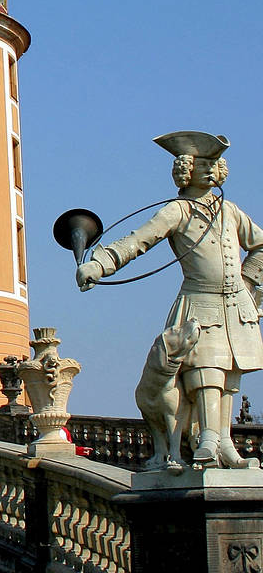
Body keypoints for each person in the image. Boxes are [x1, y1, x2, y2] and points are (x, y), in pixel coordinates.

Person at [77, 131, 263, 468]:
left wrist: (250, 283)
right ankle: (207, 438)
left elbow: (261, 244)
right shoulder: (177, 211)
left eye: (213, 164)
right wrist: (100, 264)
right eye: (202, 164)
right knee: (207, 370)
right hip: (200, 300)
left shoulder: (231, 211)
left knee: (229, 375)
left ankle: (225, 443)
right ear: (186, 169)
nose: (209, 170)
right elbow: (138, 241)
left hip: (236, 303)